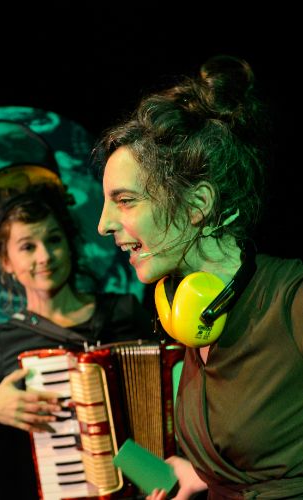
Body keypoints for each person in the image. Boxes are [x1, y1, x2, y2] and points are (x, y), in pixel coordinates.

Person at [95, 54, 303, 499]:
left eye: (125, 200)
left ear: (197, 205)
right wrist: (195, 475)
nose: (103, 224)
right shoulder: (192, 312)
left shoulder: (293, 299)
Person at [0, 172, 153, 499]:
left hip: (149, 481)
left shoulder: (123, 311)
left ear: (69, 244)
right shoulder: (8, 340)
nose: (44, 256)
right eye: (28, 246)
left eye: (54, 240)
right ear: (6, 261)